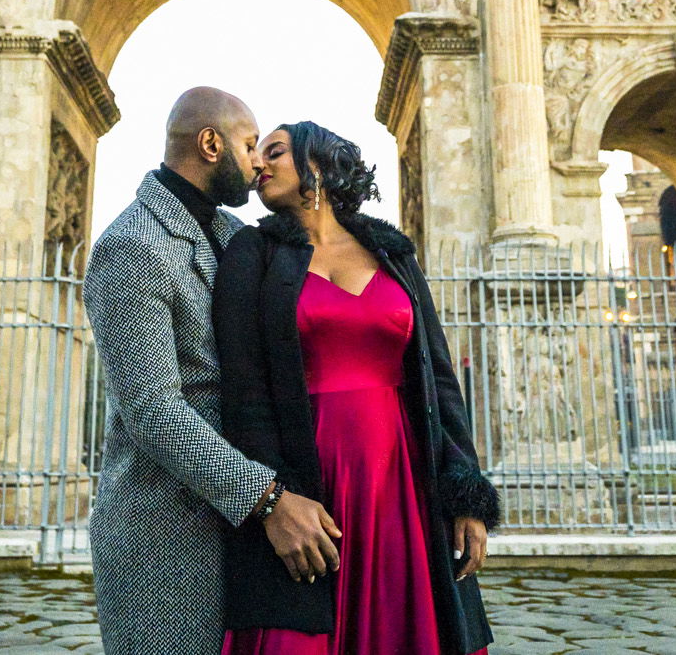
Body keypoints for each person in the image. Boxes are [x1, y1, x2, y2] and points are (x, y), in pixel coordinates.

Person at [215, 121, 498, 655]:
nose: (258, 165)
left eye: (274, 152)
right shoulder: (252, 253)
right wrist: (273, 503)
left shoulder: (392, 252)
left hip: (404, 480)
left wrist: (467, 493)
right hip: (308, 477)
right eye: (257, 154)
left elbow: (439, 378)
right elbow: (244, 394)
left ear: (316, 165)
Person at [85, 88, 343, 655]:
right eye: (251, 145)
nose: (257, 163)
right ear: (210, 144)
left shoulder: (236, 237)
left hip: (242, 530)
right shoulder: (131, 245)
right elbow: (153, 409)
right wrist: (269, 499)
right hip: (164, 532)